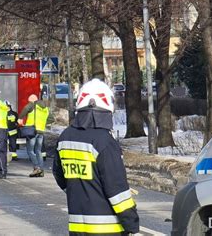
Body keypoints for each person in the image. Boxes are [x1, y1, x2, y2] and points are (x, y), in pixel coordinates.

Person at [53, 79, 139, 235]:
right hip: (108, 229)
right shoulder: (104, 142)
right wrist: (132, 224)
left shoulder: (65, 137)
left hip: (77, 227)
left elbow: (60, 176)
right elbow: (117, 190)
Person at [18, 94, 51, 177]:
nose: (29, 103)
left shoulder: (33, 104)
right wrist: (43, 123)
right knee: (38, 151)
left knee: (30, 150)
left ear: (33, 100)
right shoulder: (45, 108)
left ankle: (37, 168)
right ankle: (41, 170)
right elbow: (51, 119)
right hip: (41, 131)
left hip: (32, 130)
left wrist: (20, 118)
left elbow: (25, 108)